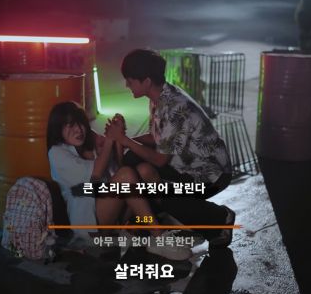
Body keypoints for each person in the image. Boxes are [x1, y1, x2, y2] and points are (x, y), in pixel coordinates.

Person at [106, 49, 236, 248]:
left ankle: (219, 217)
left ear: (146, 81)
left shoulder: (174, 106)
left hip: (211, 175)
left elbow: (160, 160)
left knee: (162, 192)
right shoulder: (158, 98)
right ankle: (144, 222)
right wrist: (123, 139)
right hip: (185, 167)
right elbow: (156, 138)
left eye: (130, 81)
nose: (127, 85)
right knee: (137, 165)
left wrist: (122, 139)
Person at [46, 101, 192, 260]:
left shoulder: (89, 140)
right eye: (70, 125)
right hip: (90, 223)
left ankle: (151, 224)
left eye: (80, 123)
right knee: (126, 176)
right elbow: (95, 175)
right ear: (58, 129)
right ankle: (159, 237)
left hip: (112, 212)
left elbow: (120, 170)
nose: (78, 130)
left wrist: (118, 136)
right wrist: (110, 139)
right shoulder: (57, 153)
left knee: (145, 171)